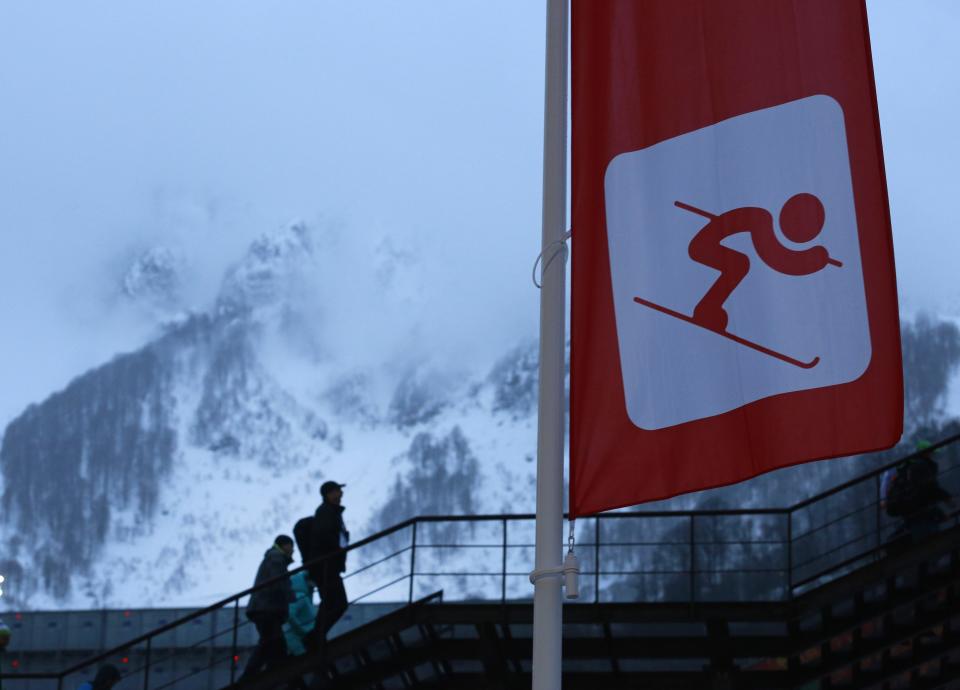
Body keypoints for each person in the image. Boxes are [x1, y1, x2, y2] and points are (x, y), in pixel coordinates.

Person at [679, 193, 838, 332]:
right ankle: (706, 310)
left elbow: (778, 256)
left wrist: (817, 257)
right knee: (739, 264)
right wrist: (816, 258)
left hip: (703, 245)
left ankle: (707, 309)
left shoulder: (762, 219)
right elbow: (776, 257)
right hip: (702, 247)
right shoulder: (762, 219)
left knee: (739, 264)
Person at [240, 535, 296, 680]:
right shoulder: (276, 558)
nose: (293, 550)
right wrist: (290, 595)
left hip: (264, 608)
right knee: (272, 643)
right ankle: (250, 677)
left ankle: (265, 675)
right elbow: (278, 581)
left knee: (271, 644)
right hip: (267, 608)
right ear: (284, 545)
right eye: (291, 546)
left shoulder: (273, 557)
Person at [305, 481, 350, 650]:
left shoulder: (332, 512)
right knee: (337, 603)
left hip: (328, 566)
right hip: (325, 566)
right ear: (329, 494)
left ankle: (315, 637)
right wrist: (338, 549)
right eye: (338, 490)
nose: (341, 494)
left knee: (332, 602)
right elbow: (325, 538)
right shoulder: (326, 512)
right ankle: (314, 637)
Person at [884, 440, 953, 543]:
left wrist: (940, 513)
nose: (933, 456)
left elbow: (925, 493)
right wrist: (947, 499)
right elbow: (929, 490)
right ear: (926, 453)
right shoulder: (921, 467)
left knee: (927, 547)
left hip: (913, 515)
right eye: (931, 453)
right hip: (920, 518)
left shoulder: (912, 467)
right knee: (929, 547)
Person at [283, 571, 317, 656]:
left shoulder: (303, 596)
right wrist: (303, 631)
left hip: (300, 641)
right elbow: (290, 615)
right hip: (298, 642)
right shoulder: (300, 596)